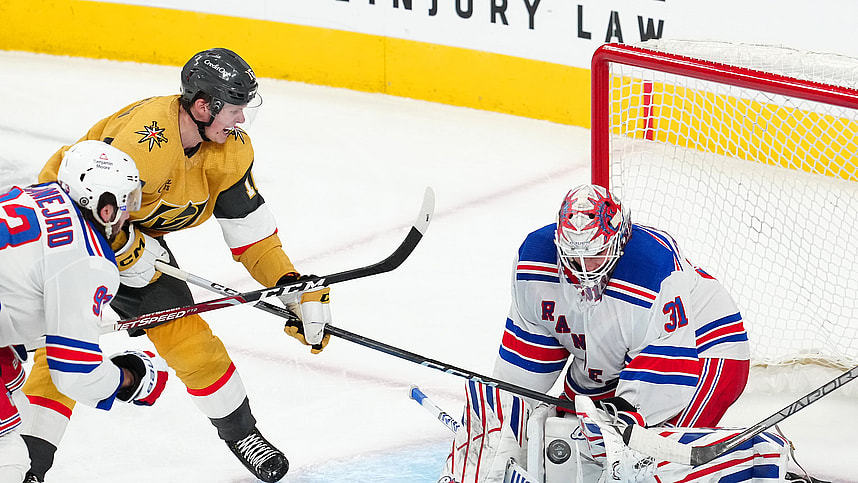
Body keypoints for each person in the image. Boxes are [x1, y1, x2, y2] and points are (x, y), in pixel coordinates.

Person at [20, 48, 331, 483]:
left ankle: (243, 434)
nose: (241, 121)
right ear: (204, 105)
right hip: (71, 231)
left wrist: (291, 284)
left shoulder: (230, 152)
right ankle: (29, 467)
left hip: (132, 235)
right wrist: (125, 250)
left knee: (187, 337)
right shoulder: (144, 143)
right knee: (65, 350)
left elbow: (252, 236)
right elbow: (87, 204)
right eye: (235, 110)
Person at [439, 184, 799, 482]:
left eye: (594, 256)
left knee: (640, 462)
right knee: (567, 439)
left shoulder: (652, 272)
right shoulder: (535, 263)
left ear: (617, 241)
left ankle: (760, 455)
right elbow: (524, 370)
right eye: (572, 257)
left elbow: (663, 377)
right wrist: (504, 419)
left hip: (701, 349)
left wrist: (625, 415)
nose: (583, 269)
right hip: (610, 355)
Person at [0, 140, 169, 482]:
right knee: (10, 457)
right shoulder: (88, 259)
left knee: (14, 391)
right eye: (126, 203)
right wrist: (129, 378)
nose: (128, 214)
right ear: (104, 208)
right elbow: (75, 373)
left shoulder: (31, 195)